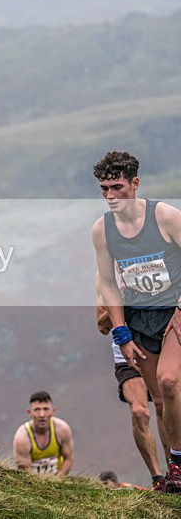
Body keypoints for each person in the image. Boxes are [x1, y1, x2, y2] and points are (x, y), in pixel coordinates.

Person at [92, 151, 181, 493]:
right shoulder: (103, 230)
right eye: (104, 189)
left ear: (135, 184)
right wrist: (121, 332)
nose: (111, 196)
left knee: (171, 381)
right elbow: (107, 283)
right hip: (139, 319)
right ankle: (174, 472)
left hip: (174, 311)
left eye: (117, 187)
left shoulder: (166, 217)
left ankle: (177, 460)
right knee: (160, 401)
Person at [97, 281, 169, 492]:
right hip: (126, 354)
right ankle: (158, 478)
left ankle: (174, 471)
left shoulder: (152, 259)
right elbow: (102, 325)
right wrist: (120, 301)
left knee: (163, 406)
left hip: (157, 346)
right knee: (139, 412)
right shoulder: (105, 276)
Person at [12, 391, 74, 475]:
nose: (42, 415)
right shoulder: (22, 437)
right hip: (33, 482)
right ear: (29, 412)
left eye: (46, 409)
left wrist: (58, 482)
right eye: (37, 410)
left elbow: (68, 458)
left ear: (53, 411)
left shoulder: (62, 430)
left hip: (58, 478)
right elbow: (26, 473)